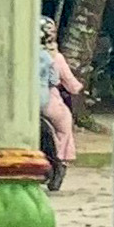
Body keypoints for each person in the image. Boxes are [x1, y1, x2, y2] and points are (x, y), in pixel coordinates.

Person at [38, 18, 82, 189]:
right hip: (49, 102)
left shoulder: (25, 54)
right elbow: (69, 84)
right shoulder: (55, 57)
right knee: (65, 125)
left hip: (25, 103)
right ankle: (61, 161)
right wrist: (78, 88)